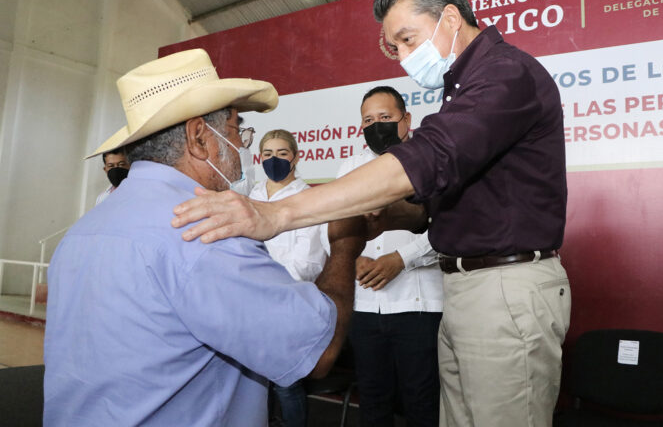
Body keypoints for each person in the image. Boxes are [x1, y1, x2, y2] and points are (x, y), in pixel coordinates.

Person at [172, 0, 570, 427]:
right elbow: (457, 197)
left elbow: (430, 158)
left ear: (450, 18)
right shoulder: (460, 86)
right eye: (394, 46)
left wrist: (278, 215)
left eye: (407, 39)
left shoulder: (505, 73)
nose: (402, 56)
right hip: (468, 286)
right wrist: (391, 216)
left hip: (505, 287)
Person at [44, 48, 361, 426]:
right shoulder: (207, 230)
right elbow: (319, 351)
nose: (241, 145)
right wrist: (345, 246)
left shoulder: (82, 230)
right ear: (198, 138)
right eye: (234, 129)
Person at [332, 85, 442, 427]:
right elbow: (336, 226)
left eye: (385, 117)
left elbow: (448, 229)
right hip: (365, 307)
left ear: (406, 120)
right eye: (368, 120)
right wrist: (351, 258)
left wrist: (402, 258)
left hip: (419, 307)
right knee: (373, 400)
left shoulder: (431, 162)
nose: (376, 125)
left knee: (421, 401)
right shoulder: (349, 167)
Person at [249, 129, 328, 427]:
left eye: (282, 153)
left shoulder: (308, 197)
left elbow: (309, 263)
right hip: (249, 304)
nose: (274, 160)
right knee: (251, 385)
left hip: (289, 305)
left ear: (296, 157)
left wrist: (262, 280)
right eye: (267, 154)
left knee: (286, 385)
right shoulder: (252, 195)